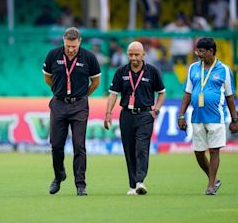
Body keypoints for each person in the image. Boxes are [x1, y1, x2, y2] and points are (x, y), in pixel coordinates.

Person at [43, 27, 101, 196]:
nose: (70, 49)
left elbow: (96, 82)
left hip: (79, 106)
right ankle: (59, 175)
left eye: (73, 46)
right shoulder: (53, 55)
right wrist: (58, 91)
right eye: (68, 46)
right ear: (63, 41)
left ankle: (80, 184)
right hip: (59, 104)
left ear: (79, 42)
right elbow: (47, 77)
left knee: (79, 145)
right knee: (56, 145)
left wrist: (82, 96)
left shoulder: (89, 57)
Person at [177, 37, 238, 195]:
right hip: (197, 116)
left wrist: (234, 119)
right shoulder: (193, 68)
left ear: (212, 51)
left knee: (214, 151)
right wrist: (181, 115)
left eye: (202, 51)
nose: (199, 54)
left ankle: (211, 186)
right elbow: (187, 93)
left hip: (216, 117)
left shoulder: (224, 70)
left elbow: (230, 97)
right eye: (197, 51)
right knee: (198, 153)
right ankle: (214, 179)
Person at [104, 41, 165, 195]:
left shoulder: (152, 71)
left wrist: (156, 111)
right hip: (126, 115)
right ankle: (132, 185)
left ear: (143, 55)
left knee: (141, 148)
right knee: (129, 150)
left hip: (145, 115)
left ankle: (140, 181)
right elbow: (113, 94)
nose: (133, 58)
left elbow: (161, 93)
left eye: (137, 54)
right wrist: (108, 113)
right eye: (130, 54)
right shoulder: (121, 72)